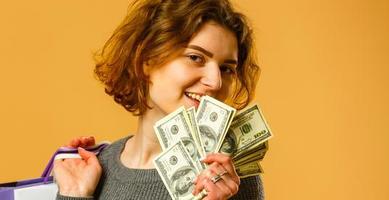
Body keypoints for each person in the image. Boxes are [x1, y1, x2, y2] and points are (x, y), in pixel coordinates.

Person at [52, 0, 263, 199]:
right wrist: (74, 194)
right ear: (146, 59)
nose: (216, 82)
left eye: (226, 69)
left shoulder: (229, 177)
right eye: (195, 57)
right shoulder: (91, 170)